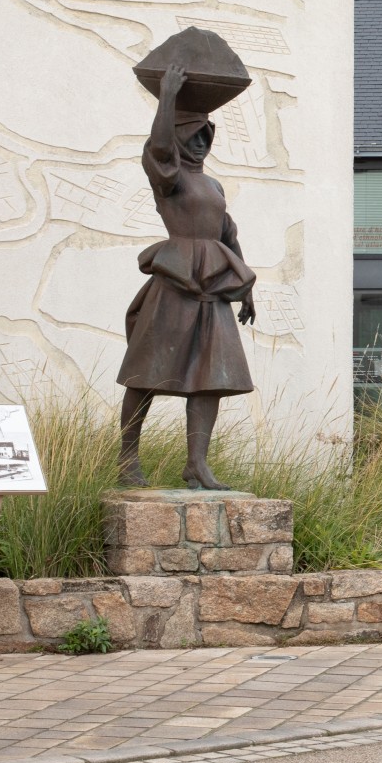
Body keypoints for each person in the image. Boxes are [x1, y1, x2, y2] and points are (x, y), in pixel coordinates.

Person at [117, 64, 257, 490]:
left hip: (213, 288)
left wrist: (247, 289)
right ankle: (127, 458)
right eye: (191, 137)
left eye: (205, 138)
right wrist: (167, 100)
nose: (199, 145)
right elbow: (158, 151)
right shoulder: (170, 179)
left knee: (211, 377)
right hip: (175, 283)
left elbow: (227, 233)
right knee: (147, 374)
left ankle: (197, 463)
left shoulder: (212, 186)